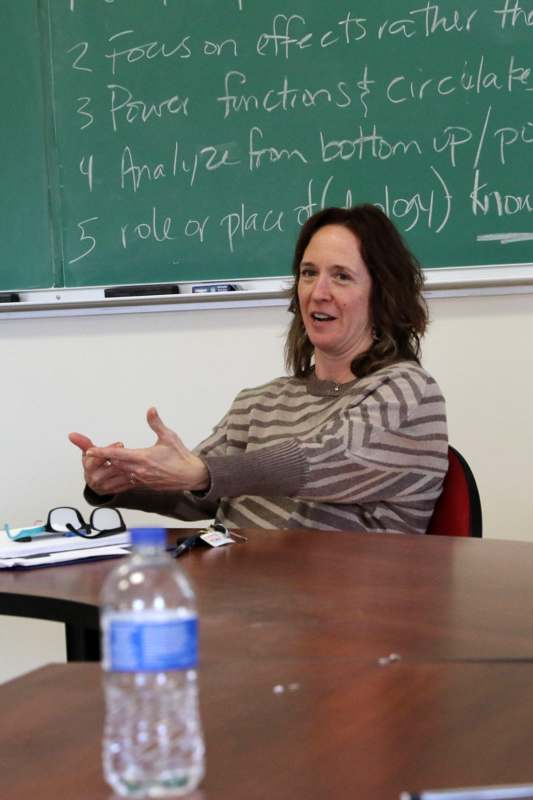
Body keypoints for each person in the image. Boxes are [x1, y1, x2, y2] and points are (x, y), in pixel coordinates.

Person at [70, 205, 448, 534]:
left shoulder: (408, 391)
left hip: (344, 610)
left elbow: (321, 461)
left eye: (342, 276)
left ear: (384, 293)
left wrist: (201, 472)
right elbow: (197, 491)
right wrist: (122, 481)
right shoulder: (262, 401)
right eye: (308, 272)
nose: (318, 292)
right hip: (238, 595)